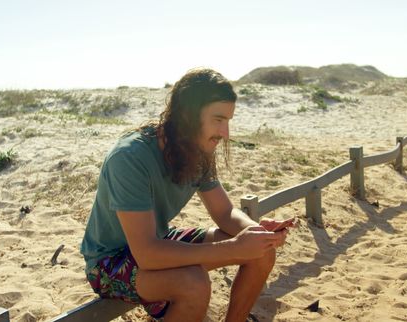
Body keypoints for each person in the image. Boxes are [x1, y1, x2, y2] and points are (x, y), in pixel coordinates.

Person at [80, 68, 294, 322]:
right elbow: (147, 254)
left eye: (228, 121)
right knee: (194, 283)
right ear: (187, 115)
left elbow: (225, 213)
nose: (225, 133)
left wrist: (256, 233)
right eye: (218, 120)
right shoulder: (129, 157)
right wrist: (234, 247)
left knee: (263, 250)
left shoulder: (198, 149)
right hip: (109, 262)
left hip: (158, 240)